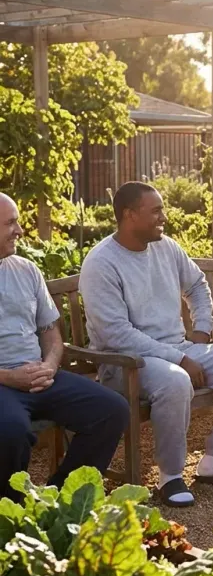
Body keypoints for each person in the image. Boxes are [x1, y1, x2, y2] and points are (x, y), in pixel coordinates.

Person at [79, 182, 213, 507]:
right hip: (125, 363)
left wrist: (202, 329)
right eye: (155, 211)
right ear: (129, 214)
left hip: (178, 350)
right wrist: (178, 358)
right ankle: (170, 476)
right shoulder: (101, 263)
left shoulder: (167, 248)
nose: (163, 217)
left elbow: (197, 285)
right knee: (176, 381)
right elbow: (116, 334)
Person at [0, 193, 129, 500]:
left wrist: (49, 365)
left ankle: (59, 499)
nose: (19, 230)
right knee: (10, 431)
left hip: (40, 376)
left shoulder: (26, 269)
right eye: (10, 223)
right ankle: (10, 510)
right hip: (3, 383)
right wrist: (9, 377)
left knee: (112, 410)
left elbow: (50, 331)